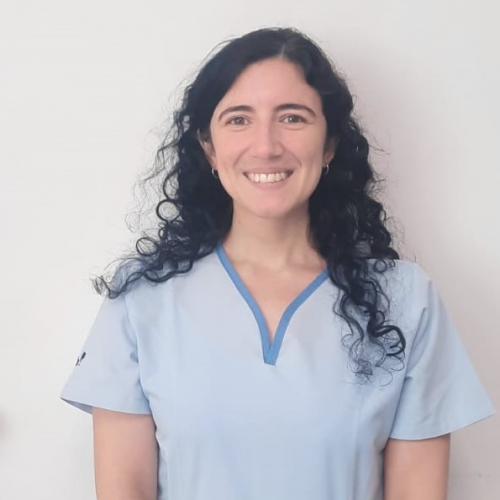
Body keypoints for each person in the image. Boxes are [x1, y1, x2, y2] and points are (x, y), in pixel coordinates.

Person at [61, 27, 494, 500]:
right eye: (238, 119)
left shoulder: (406, 299)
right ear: (208, 147)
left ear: (329, 145)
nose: (266, 146)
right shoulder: (141, 298)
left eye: (292, 118)